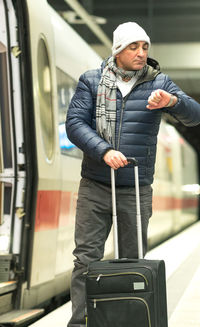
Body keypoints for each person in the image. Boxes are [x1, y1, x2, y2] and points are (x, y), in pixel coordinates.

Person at [66, 22, 200, 327]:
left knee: (132, 260)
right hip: (95, 185)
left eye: (145, 47)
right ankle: (79, 323)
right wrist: (103, 150)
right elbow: (74, 123)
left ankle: (129, 320)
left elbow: (195, 115)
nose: (141, 53)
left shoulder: (159, 83)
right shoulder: (91, 80)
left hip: (136, 188)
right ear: (117, 50)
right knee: (85, 260)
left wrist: (173, 101)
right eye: (133, 47)